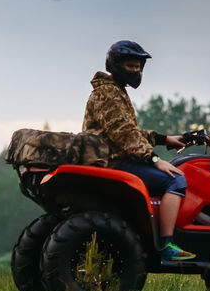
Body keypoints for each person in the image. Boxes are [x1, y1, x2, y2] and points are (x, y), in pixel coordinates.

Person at [83, 40, 195, 262]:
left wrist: (165, 139)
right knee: (176, 180)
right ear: (115, 65)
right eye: (130, 66)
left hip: (114, 156)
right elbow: (124, 134)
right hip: (112, 161)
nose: (136, 71)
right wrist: (154, 159)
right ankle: (166, 245)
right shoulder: (108, 94)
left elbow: (131, 133)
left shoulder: (114, 91)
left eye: (138, 67)